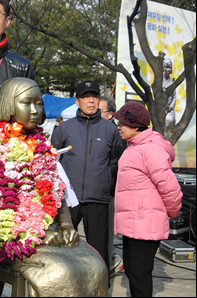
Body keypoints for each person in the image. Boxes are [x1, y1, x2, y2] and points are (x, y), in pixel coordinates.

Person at [0, 78, 108, 297]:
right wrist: (33, 234)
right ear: (9, 105)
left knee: (96, 266)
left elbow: (57, 192)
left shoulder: (44, 148)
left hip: (48, 231)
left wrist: (66, 226)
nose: (35, 110)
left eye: (38, 104)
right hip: (11, 237)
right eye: (26, 103)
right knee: (60, 272)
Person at [51, 80, 124, 283]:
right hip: (69, 199)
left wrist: (104, 181)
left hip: (98, 198)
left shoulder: (111, 130)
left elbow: (116, 160)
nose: (91, 100)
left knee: (98, 249)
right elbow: (51, 158)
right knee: (65, 246)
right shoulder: (64, 129)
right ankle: (66, 285)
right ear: (77, 101)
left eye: (94, 96)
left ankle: (99, 286)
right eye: (85, 96)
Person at [112, 101, 182, 297]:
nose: (118, 127)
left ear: (135, 126)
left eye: (122, 123)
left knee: (139, 276)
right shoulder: (135, 147)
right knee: (135, 274)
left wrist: (173, 212)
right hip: (135, 223)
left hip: (144, 223)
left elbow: (170, 188)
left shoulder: (150, 149)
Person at [99, 95, 125, 277]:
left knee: (106, 235)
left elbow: (117, 163)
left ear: (110, 115)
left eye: (100, 111)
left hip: (109, 191)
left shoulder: (116, 134)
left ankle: (107, 266)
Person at [162, 58, 176, 127]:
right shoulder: (160, 81)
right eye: (166, 67)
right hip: (160, 107)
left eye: (169, 68)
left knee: (170, 119)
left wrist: (171, 106)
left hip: (169, 109)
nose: (168, 70)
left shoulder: (172, 82)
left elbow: (174, 96)